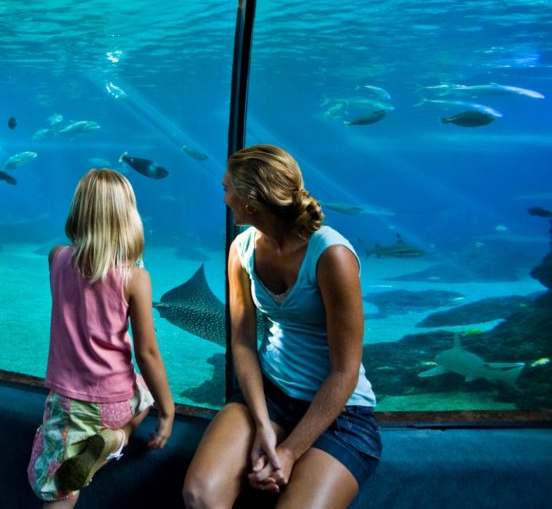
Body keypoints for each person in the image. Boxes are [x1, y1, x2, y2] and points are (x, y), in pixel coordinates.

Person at [183, 145, 381, 509]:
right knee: (201, 497)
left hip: (341, 413)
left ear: (253, 200)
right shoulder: (241, 249)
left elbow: (344, 371)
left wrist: (289, 452)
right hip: (270, 395)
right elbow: (242, 343)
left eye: (228, 189)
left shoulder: (331, 255)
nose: (224, 198)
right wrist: (261, 422)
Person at [28, 168, 175, 508]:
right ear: (128, 217)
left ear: (78, 211)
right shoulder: (136, 278)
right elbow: (148, 353)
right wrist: (168, 410)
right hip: (116, 400)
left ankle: (81, 458)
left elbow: (83, 293)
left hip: (69, 400)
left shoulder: (56, 257)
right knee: (145, 393)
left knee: (58, 485)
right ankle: (118, 438)